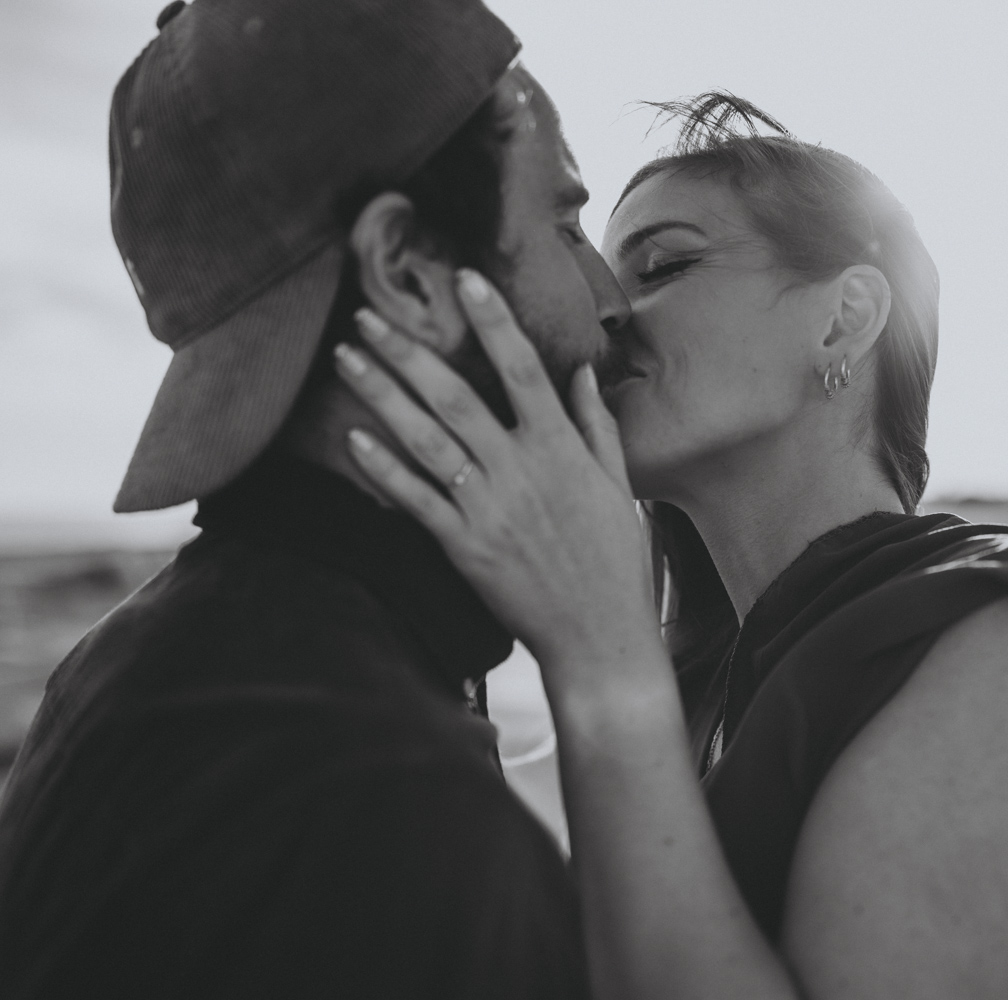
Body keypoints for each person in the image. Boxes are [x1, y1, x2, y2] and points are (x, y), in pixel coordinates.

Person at [339, 95, 1008, 999]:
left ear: (843, 319)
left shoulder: (1004, 649)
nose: (605, 314)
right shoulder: (696, 675)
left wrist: (596, 651)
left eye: (663, 265)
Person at [0, 0, 627, 996]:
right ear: (409, 273)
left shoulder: (112, 670)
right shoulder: (405, 818)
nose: (611, 295)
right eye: (565, 221)